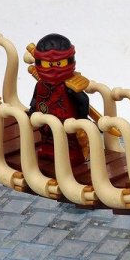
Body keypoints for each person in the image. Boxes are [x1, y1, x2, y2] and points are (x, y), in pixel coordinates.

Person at [27, 33, 90, 166]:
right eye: (47, 64)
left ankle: (72, 153)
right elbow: (35, 100)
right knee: (48, 139)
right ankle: (48, 149)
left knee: (69, 141)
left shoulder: (69, 87)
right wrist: (32, 111)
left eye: (59, 63)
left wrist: (82, 120)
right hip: (46, 124)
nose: (53, 68)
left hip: (68, 127)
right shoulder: (40, 85)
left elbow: (83, 101)